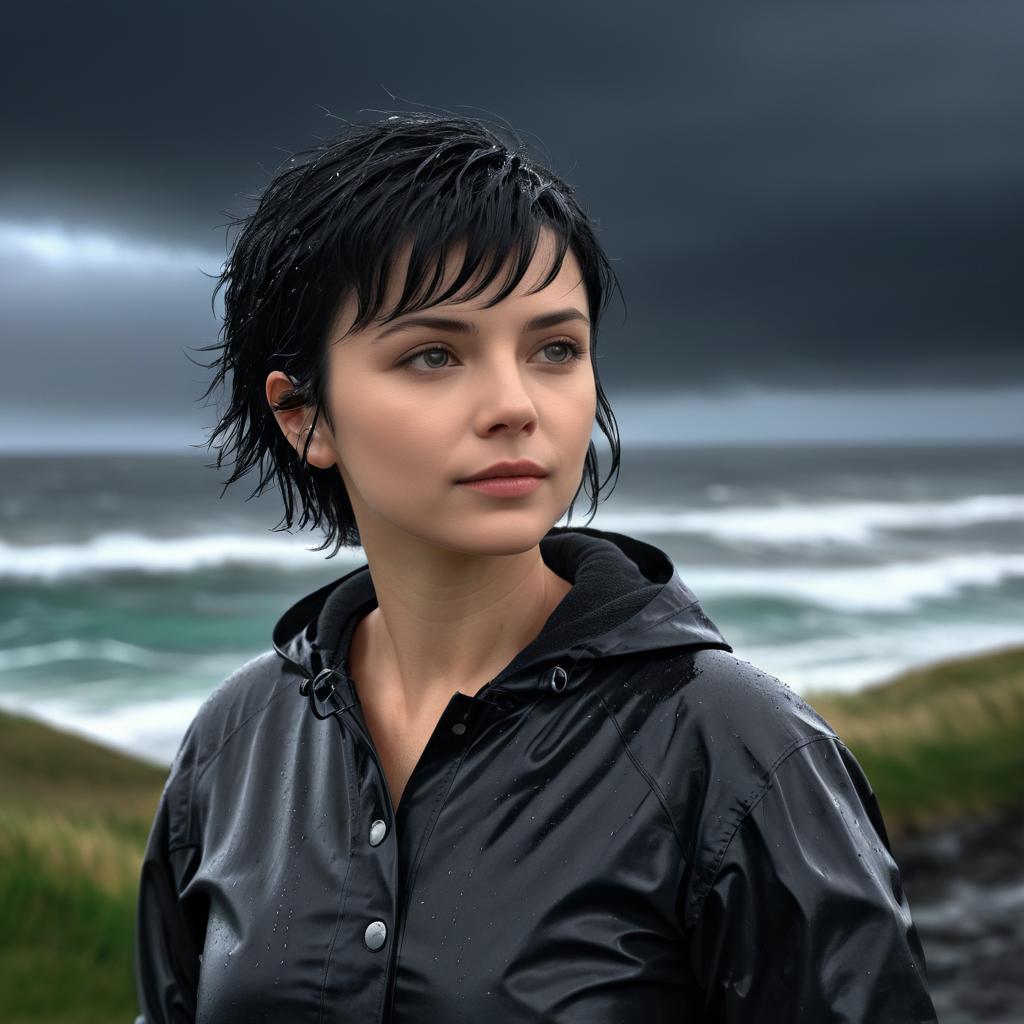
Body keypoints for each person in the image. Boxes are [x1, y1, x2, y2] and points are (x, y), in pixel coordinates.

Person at [133, 110, 939, 1022]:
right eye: (434, 354)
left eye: (555, 349)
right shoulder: (233, 744)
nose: (515, 405)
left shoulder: (737, 750)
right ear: (302, 416)